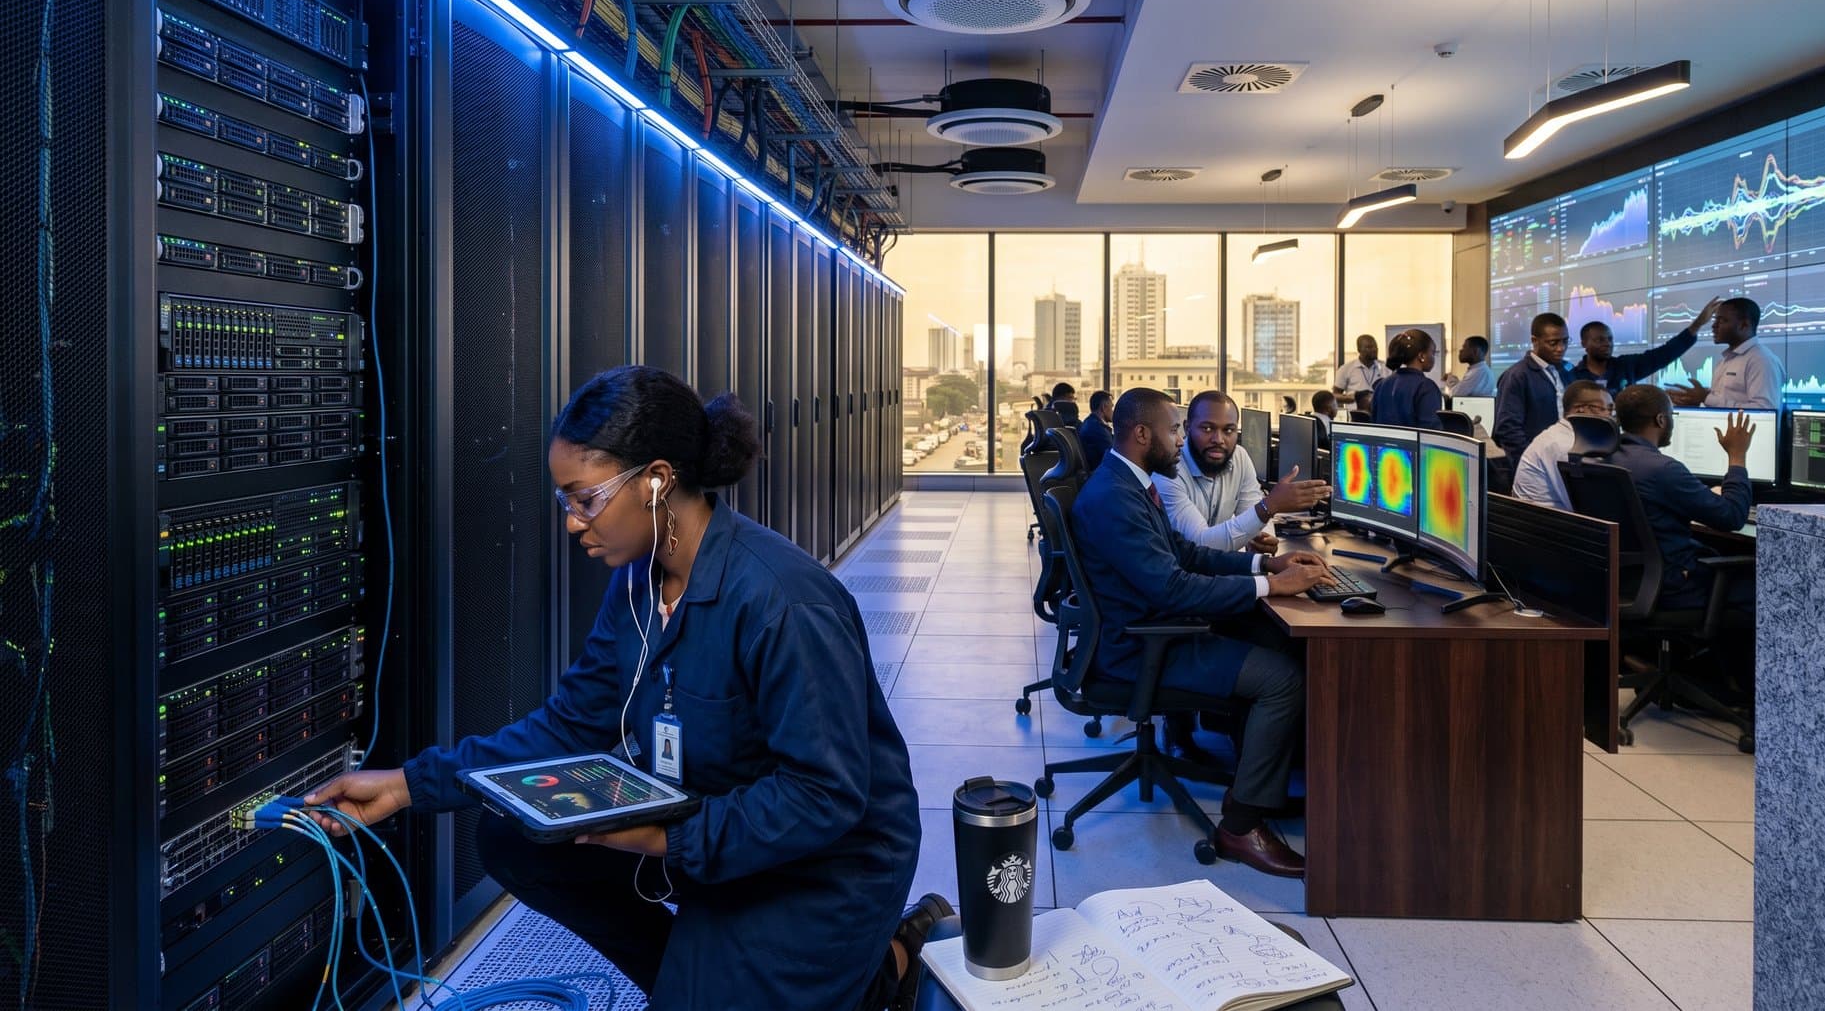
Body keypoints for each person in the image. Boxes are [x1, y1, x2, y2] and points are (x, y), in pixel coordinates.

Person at [303, 366, 940, 1010]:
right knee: (512, 834)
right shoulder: (637, 583)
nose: (574, 522)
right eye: (566, 503)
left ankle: (882, 964)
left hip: (820, 867)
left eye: (586, 499)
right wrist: (409, 784)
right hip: (712, 821)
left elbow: (822, 797)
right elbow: (569, 725)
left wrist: (666, 839)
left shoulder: (781, 600)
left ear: (657, 481)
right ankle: (699, 971)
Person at [1072, 388, 1332, 878]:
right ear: (1143, 434)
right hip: (1141, 646)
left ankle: (1258, 785)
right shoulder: (1114, 498)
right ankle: (1241, 824)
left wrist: (1264, 562)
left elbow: (1186, 555)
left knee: (1274, 640)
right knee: (1284, 679)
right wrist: (1270, 586)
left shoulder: (1129, 482)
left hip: (1153, 627)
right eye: (1175, 429)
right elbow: (1171, 587)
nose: (1180, 440)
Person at [1610, 385, 1756, 613]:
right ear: (1661, 420)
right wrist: (1737, 455)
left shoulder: (1605, 458)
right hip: (1675, 587)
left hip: (1625, 582)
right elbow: (1732, 517)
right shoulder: (1663, 469)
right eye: (1671, 415)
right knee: (1764, 584)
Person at [1152, 390, 1331, 553]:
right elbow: (1199, 543)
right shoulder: (1167, 471)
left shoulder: (1239, 456)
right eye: (1207, 428)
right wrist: (1270, 505)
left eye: (1228, 430)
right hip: (1183, 578)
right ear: (1188, 427)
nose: (1218, 439)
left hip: (1220, 571)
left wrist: (1262, 539)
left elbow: (1252, 506)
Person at [1570, 298, 1719, 395]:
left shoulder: (1626, 366)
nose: (1607, 343)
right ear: (1584, 343)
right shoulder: (1573, 378)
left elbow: (1664, 354)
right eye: (1600, 340)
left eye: (1610, 339)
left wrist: (1698, 324)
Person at [1511, 381, 1616, 510]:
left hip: (1548, 520)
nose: (1610, 416)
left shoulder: (1562, 435)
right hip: (1548, 525)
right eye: (1605, 409)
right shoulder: (1566, 445)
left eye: (1611, 410)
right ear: (1581, 410)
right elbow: (1580, 505)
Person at [1665, 297, 1784, 411]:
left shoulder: (1761, 361)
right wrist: (1696, 400)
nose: (1714, 326)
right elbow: (1719, 404)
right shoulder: (1725, 361)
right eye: (1715, 320)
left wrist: (1705, 398)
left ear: (1744, 325)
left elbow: (1765, 411)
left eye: (1722, 320)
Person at [1493, 312, 1572, 456]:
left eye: (1565, 341)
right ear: (1535, 341)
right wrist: (1531, 461)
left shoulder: (1566, 370)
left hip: (1563, 457)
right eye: (1553, 343)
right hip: (1534, 463)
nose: (1561, 348)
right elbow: (1508, 429)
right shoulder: (1517, 376)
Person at [1370, 329, 1443, 430]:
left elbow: (1374, 422)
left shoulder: (1382, 384)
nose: (1433, 357)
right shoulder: (1426, 387)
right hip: (1413, 446)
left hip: (1384, 445)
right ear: (1421, 356)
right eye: (1433, 353)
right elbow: (1430, 432)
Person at [1331, 335, 1384, 404]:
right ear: (1359, 349)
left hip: (1380, 413)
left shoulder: (1386, 368)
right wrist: (1350, 398)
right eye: (1369, 347)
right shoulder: (1346, 369)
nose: (1374, 349)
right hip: (1355, 413)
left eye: (1375, 347)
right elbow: (1334, 396)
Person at [1078, 389, 1116, 467]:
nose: (1113, 411)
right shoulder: (1097, 429)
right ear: (1104, 407)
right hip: (1101, 471)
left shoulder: (1091, 423)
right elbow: (1113, 456)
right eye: (1111, 407)